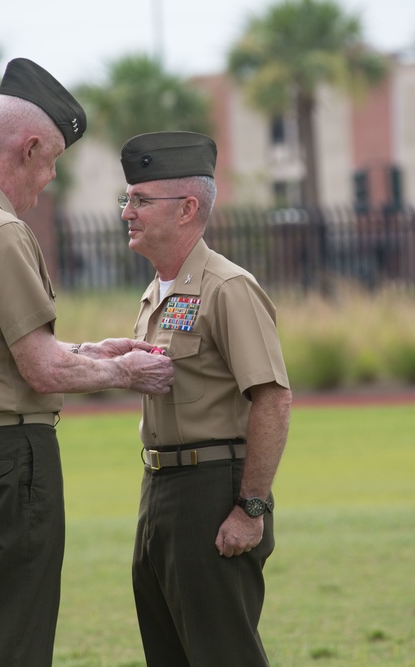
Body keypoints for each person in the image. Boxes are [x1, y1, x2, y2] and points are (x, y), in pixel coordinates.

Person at [0, 58, 173, 667]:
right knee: (11, 643)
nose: (47, 180)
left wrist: (93, 352)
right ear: (30, 147)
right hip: (6, 461)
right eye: (51, 163)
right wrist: (129, 372)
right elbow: (41, 372)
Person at [120, 131, 293, 667]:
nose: (128, 211)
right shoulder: (159, 291)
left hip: (212, 494)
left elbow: (273, 399)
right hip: (160, 491)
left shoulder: (227, 287)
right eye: (127, 199)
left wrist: (251, 508)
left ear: (188, 208)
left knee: (223, 655)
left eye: (142, 200)